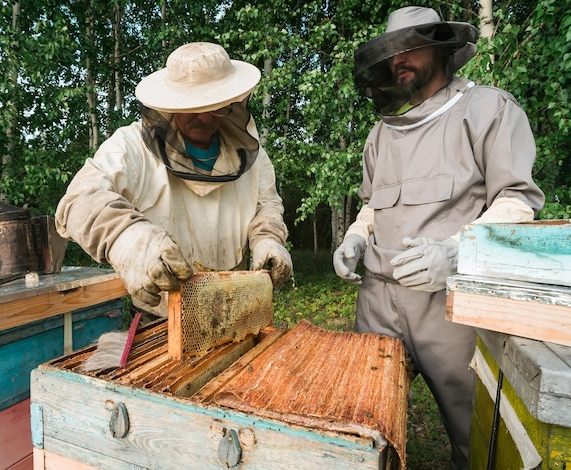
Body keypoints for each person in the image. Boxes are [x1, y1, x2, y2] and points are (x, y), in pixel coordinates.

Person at [333, 6, 545, 469]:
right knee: (363, 423)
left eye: (411, 46)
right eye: (391, 52)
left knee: (476, 430)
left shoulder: (487, 109)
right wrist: (355, 236)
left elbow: (516, 200)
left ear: (445, 48)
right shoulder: (380, 134)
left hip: (452, 308)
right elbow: (373, 205)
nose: (399, 60)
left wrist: (457, 253)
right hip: (376, 303)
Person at [56, 42, 292, 319]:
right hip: (160, 318)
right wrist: (128, 239)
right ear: (170, 105)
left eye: (216, 107)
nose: (205, 118)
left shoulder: (252, 156)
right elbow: (78, 201)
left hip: (232, 312)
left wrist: (268, 238)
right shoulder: (130, 147)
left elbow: (266, 205)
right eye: (194, 107)